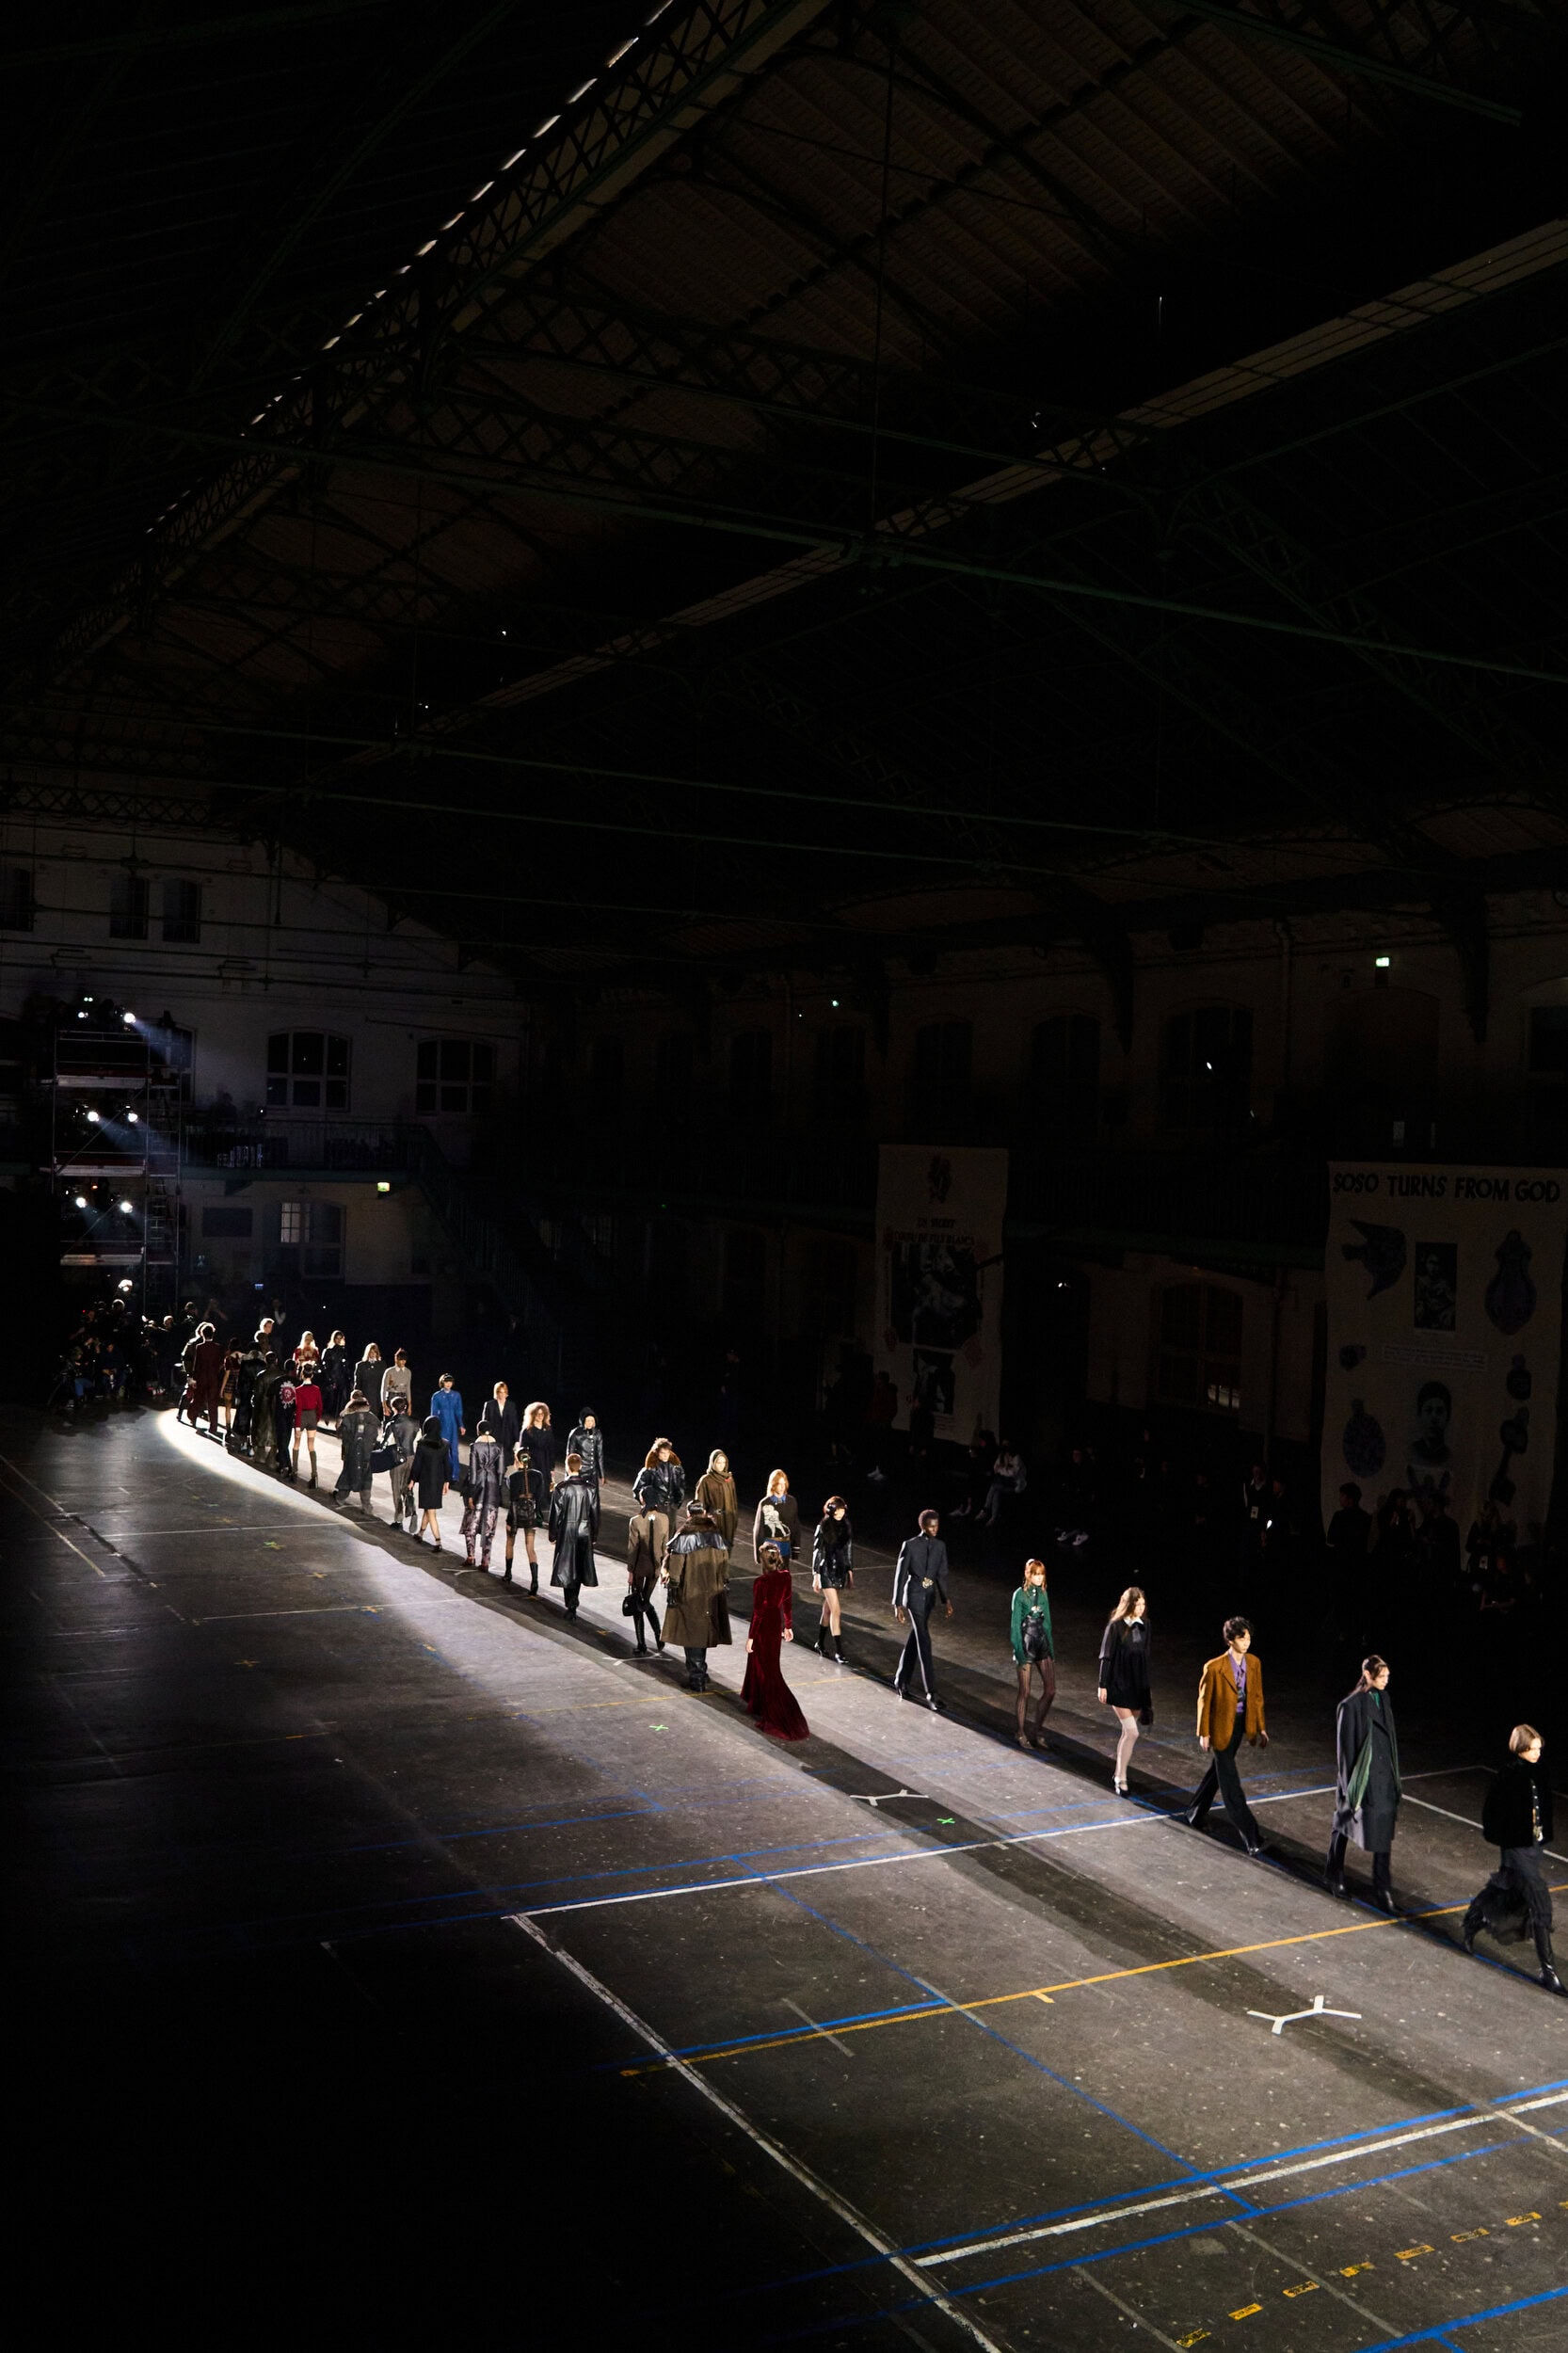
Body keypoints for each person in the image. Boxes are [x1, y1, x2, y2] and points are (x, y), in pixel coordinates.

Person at [1462, 1724, 1565, 1995]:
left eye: (1540, 1749)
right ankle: (1549, 1971)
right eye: (1533, 1749)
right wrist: (1506, 1837)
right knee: (1540, 1901)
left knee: (1511, 1895)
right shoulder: (1508, 1774)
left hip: (1532, 1846)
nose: (1538, 1754)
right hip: (1516, 1847)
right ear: (1521, 1749)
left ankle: (1478, 1919)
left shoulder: (1539, 1771)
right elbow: (1492, 1811)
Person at [1188, 1615, 1270, 1856]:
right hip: (1220, 1727)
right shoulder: (1214, 1667)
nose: (1247, 1642)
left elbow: (1256, 1697)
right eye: (1242, 1638)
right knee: (1231, 1784)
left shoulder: (1254, 1663)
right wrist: (1204, 1732)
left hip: (1241, 1725)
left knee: (1219, 1771)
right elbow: (1204, 1702)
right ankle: (1252, 1838)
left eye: (1248, 1638)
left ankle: (1195, 1813)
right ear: (1230, 1640)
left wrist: (1260, 1726)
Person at [1326, 1656, 1401, 1911]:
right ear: (1368, 1675)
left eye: (1387, 1676)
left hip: (1383, 1776)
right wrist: (1349, 1789)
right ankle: (1334, 1875)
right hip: (1361, 1776)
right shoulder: (1350, 1705)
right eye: (1381, 1676)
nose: (1385, 1680)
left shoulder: (1384, 1699)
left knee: (1384, 1829)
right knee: (1345, 1823)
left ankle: (1382, 1887)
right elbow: (1345, 1752)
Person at [661, 1500, 732, 1691]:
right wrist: (722, 1582)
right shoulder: (716, 1535)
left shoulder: (685, 1535)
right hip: (712, 1590)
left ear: (689, 1514)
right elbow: (725, 1565)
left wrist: (672, 1585)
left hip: (690, 1591)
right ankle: (702, 1671)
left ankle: (697, 1677)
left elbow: (676, 1568)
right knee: (703, 1631)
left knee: (691, 1633)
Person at [743, 1542, 808, 1741]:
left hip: (764, 1628)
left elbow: (758, 1613)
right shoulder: (785, 1576)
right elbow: (787, 1603)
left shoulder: (761, 1583)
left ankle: (781, 1713)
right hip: (776, 1624)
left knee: (768, 1671)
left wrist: (751, 1638)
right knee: (767, 1666)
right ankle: (759, 1704)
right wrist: (788, 1626)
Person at [892, 1509, 951, 1709]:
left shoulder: (940, 1546)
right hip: (915, 1596)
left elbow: (942, 1574)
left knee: (915, 1639)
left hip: (929, 1598)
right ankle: (931, 1693)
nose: (935, 1529)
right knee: (924, 1641)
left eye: (937, 1525)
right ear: (923, 1526)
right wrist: (897, 1603)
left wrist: (946, 1599)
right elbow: (900, 1576)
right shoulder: (910, 1545)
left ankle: (901, 1680)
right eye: (931, 1526)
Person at [1097, 1586, 1152, 1793]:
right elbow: (1106, 1656)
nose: (1140, 1608)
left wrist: (1146, 1691)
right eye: (1137, 1604)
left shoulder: (1145, 1625)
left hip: (1137, 1686)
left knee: (1127, 1734)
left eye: (1143, 1604)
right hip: (1118, 1685)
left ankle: (1119, 1771)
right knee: (1132, 1732)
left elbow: (1145, 1658)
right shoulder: (1116, 1626)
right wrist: (1102, 1684)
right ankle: (1121, 1778)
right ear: (1129, 1605)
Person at [548, 1449, 600, 1620]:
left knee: (567, 1568)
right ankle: (573, 1600)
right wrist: (595, 1536)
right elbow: (595, 1514)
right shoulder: (590, 1489)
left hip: (566, 1533)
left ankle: (570, 1602)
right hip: (584, 1533)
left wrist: (553, 1535)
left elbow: (555, 1514)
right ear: (581, 1467)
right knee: (579, 1566)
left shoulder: (561, 1488)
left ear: (568, 1468)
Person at [1011, 1558, 1055, 1751]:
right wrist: (1019, 1652)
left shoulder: (1043, 1593)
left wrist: (1050, 1649)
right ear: (1028, 1574)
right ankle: (1020, 1731)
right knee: (1025, 1691)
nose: (1039, 1577)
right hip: (1026, 1643)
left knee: (1051, 1689)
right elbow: (1014, 1626)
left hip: (1041, 1642)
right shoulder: (1019, 1595)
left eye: (1041, 1574)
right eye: (1036, 1574)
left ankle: (1038, 1729)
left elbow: (1047, 1623)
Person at [810, 1496, 854, 1661]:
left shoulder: (846, 1526)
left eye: (843, 1510)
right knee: (836, 1610)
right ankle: (839, 1650)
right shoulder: (823, 1526)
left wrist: (850, 1569)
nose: (841, 1513)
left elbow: (848, 1549)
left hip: (839, 1571)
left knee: (828, 1610)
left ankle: (820, 1643)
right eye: (838, 1509)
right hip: (826, 1571)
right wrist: (816, 1575)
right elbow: (817, 1551)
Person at [460, 1419, 506, 1575]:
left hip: (478, 1486)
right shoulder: (499, 1447)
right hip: (493, 1488)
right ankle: (485, 1561)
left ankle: (471, 1556)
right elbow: (501, 1472)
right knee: (489, 1524)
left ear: (478, 1430)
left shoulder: (475, 1446)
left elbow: (472, 1471)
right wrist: (497, 1488)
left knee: (471, 1522)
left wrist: (471, 1492)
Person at [626, 1493, 668, 1655]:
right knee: (645, 1600)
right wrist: (664, 1568)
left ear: (643, 1499)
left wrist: (630, 1571)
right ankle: (659, 1635)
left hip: (639, 1567)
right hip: (655, 1567)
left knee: (639, 1603)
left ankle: (642, 1643)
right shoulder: (664, 1519)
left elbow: (632, 1549)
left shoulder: (636, 1520)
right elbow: (666, 1546)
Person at [504, 1441, 546, 1590]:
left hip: (515, 1515)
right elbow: (539, 1497)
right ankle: (534, 1580)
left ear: (517, 1460)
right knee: (530, 1547)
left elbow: (513, 1499)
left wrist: (510, 1520)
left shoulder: (512, 1477)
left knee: (510, 1542)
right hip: (531, 1514)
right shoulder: (538, 1475)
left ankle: (508, 1573)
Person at [333, 1388, 378, 1513]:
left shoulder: (348, 1417)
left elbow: (342, 1435)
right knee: (366, 1478)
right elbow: (375, 1437)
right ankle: (366, 1506)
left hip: (352, 1453)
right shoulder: (372, 1419)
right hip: (367, 1454)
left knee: (349, 1474)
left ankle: (341, 1498)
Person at [410, 1415, 451, 1548]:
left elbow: (417, 1465)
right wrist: (447, 1482)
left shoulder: (422, 1444)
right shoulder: (445, 1444)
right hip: (438, 1481)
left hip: (426, 1481)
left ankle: (438, 1541)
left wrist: (412, 1480)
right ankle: (420, 1533)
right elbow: (447, 1465)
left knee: (431, 1510)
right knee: (429, 1508)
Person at [752, 1466, 800, 1563]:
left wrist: (795, 1549)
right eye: (779, 1484)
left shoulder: (791, 1501)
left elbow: (796, 1526)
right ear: (773, 1485)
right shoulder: (765, 1503)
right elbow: (759, 1529)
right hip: (770, 1546)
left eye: (784, 1483)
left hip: (785, 1545)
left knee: (784, 1574)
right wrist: (758, 1554)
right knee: (770, 1575)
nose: (782, 1487)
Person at [696, 1449, 738, 1551]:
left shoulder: (729, 1480)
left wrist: (734, 1518)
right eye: (719, 1463)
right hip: (714, 1520)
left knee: (727, 1549)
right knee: (714, 1550)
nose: (721, 1465)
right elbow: (699, 1504)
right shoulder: (706, 1480)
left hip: (728, 1520)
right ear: (713, 1463)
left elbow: (734, 1502)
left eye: (724, 1462)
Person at [636, 1437, 685, 1525]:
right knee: (657, 1534)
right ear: (657, 1452)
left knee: (670, 1534)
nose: (666, 1455)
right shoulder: (649, 1469)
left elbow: (681, 1485)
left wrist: (677, 1503)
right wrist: (648, 1505)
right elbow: (638, 1488)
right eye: (662, 1453)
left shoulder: (676, 1469)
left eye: (667, 1452)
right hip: (656, 1508)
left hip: (671, 1507)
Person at [386, 1394, 418, 1528]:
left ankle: (398, 1519)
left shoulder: (392, 1424)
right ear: (405, 1407)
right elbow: (417, 1442)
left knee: (396, 1488)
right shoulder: (415, 1423)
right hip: (411, 1456)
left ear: (394, 1408)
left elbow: (387, 1443)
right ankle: (412, 1511)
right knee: (407, 1486)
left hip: (397, 1457)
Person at [977, 1444, 1027, 1529]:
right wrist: (1004, 1468)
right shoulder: (1001, 1456)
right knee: (996, 1491)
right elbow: (995, 1469)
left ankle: (985, 1510)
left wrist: (1002, 1469)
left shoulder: (1016, 1458)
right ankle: (993, 1517)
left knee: (994, 1487)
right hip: (1003, 1482)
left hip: (1015, 1484)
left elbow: (1013, 1473)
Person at [291, 1361, 323, 1488]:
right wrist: (316, 1418)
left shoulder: (298, 1390)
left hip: (302, 1416)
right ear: (312, 1375)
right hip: (312, 1417)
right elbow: (320, 1406)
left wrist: (298, 1423)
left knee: (296, 1444)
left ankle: (294, 1472)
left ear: (302, 1374)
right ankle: (314, 1475)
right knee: (311, 1446)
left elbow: (298, 1408)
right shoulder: (316, 1389)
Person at [188, 1322, 224, 1433]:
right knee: (213, 1403)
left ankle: (193, 1418)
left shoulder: (199, 1347)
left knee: (198, 1400)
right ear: (213, 1334)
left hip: (202, 1378)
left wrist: (194, 1378)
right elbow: (221, 1363)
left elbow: (196, 1364)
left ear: (203, 1335)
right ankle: (213, 1427)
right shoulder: (217, 1347)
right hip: (213, 1379)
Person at [430, 1373, 465, 1485]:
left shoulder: (456, 1395)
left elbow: (459, 1411)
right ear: (442, 1382)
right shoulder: (437, 1396)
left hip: (453, 1425)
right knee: (443, 1450)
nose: (448, 1384)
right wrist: (433, 1427)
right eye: (446, 1381)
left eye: (450, 1381)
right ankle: (443, 1473)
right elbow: (433, 1413)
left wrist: (461, 1425)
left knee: (454, 1450)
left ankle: (455, 1474)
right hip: (442, 1424)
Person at [249, 1354, 281, 1470]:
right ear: (276, 1361)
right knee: (275, 1431)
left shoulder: (261, 1376)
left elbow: (257, 1393)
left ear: (266, 1361)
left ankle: (260, 1456)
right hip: (277, 1407)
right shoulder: (282, 1375)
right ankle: (272, 1457)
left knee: (261, 1429)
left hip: (263, 1406)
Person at [566, 1408, 606, 1500]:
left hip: (592, 1470)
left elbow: (600, 1455)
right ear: (583, 1421)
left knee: (594, 1496)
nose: (590, 1423)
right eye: (588, 1420)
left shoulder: (597, 1434)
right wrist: (569, 1471)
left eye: (592, 1420)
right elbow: (570, 1454)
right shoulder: (575, 1433)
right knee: (580, 1495)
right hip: (580, 1469)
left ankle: (594, 1514)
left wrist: (602, 1474)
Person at [1325, 1481, 1370, 1563]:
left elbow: (1330, 1539)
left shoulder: (1339, 1516)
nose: (1340, 1499)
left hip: (1341, 1559)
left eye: (1342, 1496)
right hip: (1359, 1560)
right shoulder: (1365, 1517)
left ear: (1350, 1499)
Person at [1239, 1464, 1269, 1571]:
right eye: (1254, 1471)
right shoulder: (1248, 1486)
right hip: (1250, 1522)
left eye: (1258, 1471)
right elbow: (1247, 1505)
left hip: (1260, 1522)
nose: (1256, 1474)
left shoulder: (1266, 1488)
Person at [521, 1401, 556, 1492]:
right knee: (534, 1487)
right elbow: (522, 1450)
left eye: (543, 1414)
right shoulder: (527, 1431)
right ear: (533, 1415)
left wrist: (552, 1467)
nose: (541, 1416)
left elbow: (551, 1448)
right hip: (533, 1463)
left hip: (545, 1463)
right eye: (538, 1414)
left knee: (546, 1486)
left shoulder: (548, 1429)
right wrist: (525, 1464)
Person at [485, 1383, 521, 1464]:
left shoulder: (511, 1406)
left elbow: (514, 1424)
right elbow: (485, 1423)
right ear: (496, 1393)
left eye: (504, 1392)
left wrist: (517, 1440)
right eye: (500, 1392)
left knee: (504, 1463)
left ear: (506, 1393)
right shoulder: (490, 1405)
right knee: (492, 1462)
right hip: (493, 1438)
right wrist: (484, 1437)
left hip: (507, 1440)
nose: (502, 1395)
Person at [321, 1331, 352, 1425]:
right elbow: (325, 1366)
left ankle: (338, 1420)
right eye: (337, 1338)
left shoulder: (344, 1350)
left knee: (341, 1400)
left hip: (341, 1378)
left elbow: (347, 1365)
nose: (338, 1340)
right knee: (330, 1399)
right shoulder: (328, 1351)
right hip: (331, 1378)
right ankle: (326, 1414)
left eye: (340, 1338)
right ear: (333, 1339)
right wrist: (330, 1378)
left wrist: (348, 1378)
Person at [380, 1348, 413, 1421]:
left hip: (402, 1398)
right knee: (389, 1420)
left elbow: (408, 1389)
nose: (403, 1362)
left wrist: (410, 1405)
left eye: (404, 1360)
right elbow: (383, 1389)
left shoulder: (408, 1372)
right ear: (396, 1359)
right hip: (391, 1397)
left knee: (402, 1421)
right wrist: (384, 1406)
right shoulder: (389, 1371)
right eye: (401, 1360)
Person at [354, 1341, 384, 1415]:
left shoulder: (382, 1365)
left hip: (377, 1398)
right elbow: (357, 1383)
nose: (373, 1354)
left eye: (375, 1352)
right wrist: (357, 1398)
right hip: (365, 1396)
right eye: (371, 1352)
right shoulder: (360, 1365)